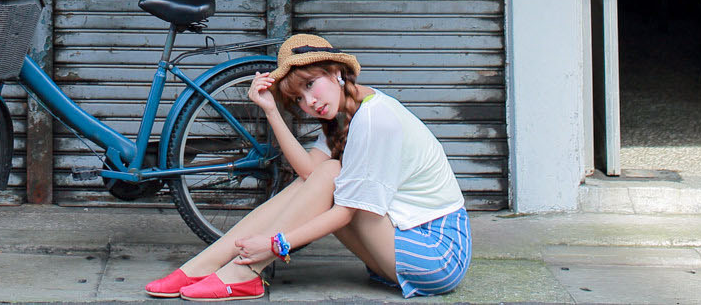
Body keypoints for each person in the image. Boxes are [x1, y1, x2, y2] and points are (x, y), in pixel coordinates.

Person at [146, 34, 471, 301]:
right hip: (401, 240)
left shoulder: (375, 120)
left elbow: (343, 211)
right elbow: (308, 175)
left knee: (331, 174)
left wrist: (275, 244)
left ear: (336, 73)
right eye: (299, 99)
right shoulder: (345, 116)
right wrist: (272, 112)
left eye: (311, 84)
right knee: (323, 175)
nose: (310, 102)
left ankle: (243, 272)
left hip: (436, 252)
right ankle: (205, 266)